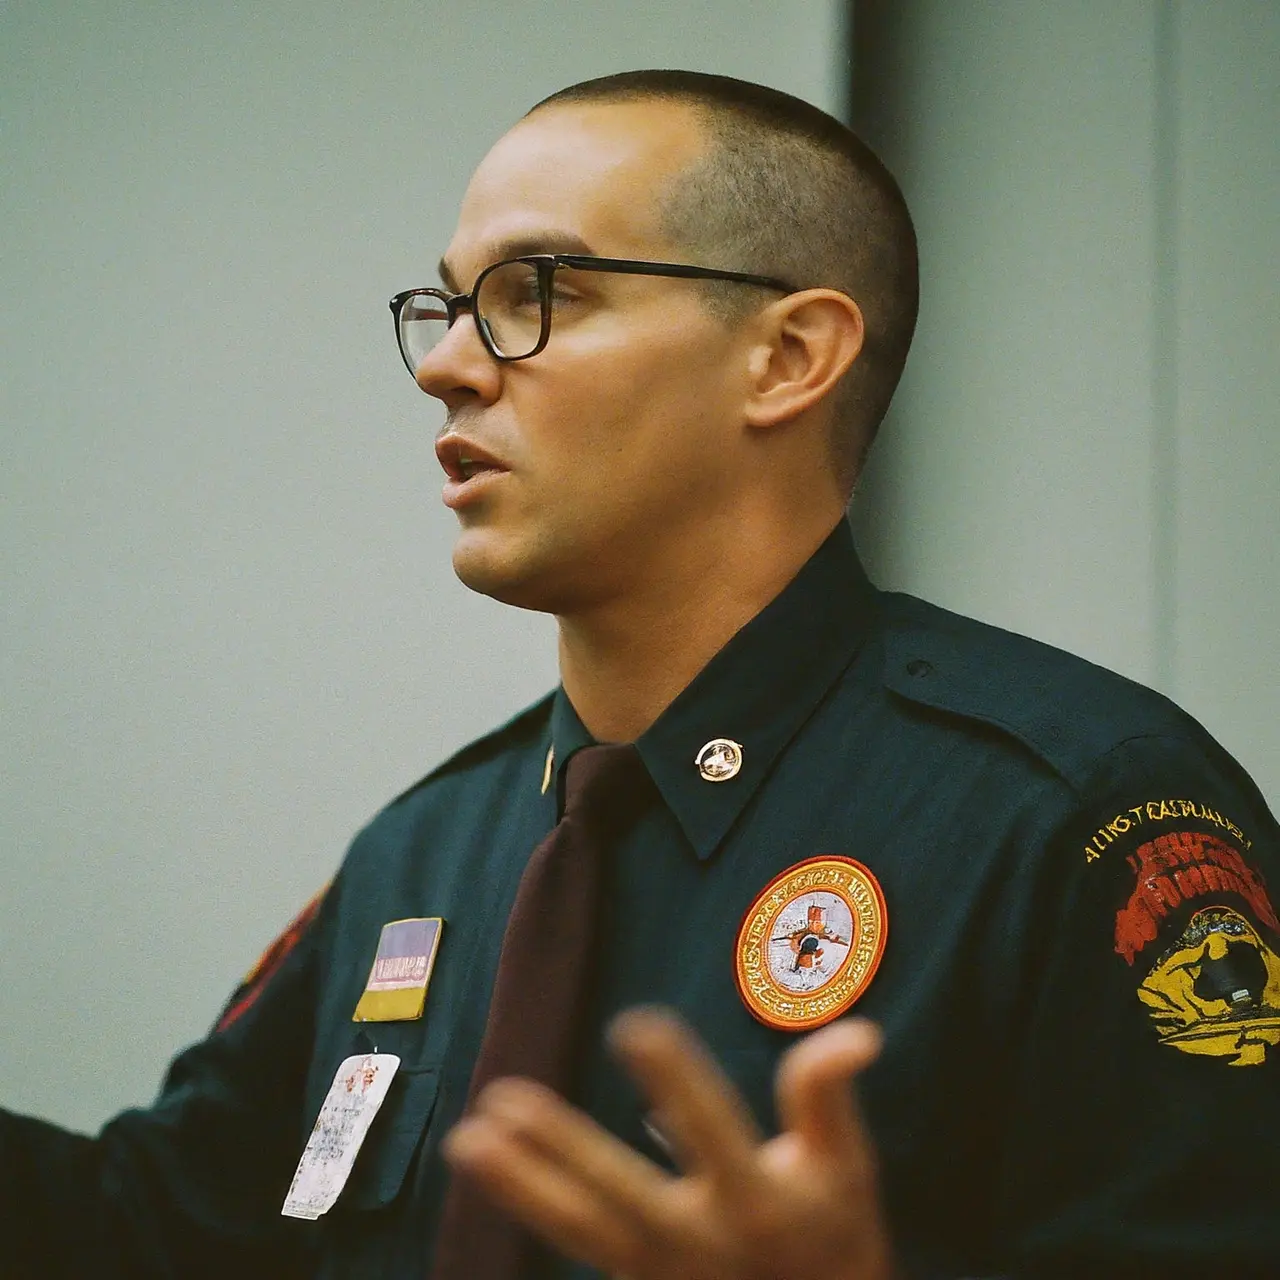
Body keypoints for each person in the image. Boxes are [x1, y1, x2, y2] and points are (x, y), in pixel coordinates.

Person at [4, 69, 1278, 1280]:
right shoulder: (425, 849)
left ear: (786, 357)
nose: (449, 362)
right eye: (446, 305)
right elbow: (147, 1230)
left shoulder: (1077, 815)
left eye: (533, 290)